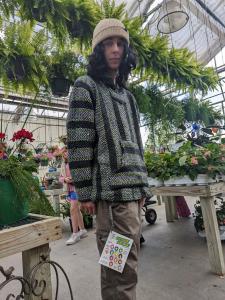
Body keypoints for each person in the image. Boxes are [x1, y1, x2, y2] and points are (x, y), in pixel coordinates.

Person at [67, 18, 151, 300]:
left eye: (120, 44)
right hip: (113, 200)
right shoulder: (86, 86)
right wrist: (86, 192)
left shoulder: (128, 97)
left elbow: (138, 145)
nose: (115, 49)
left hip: (133, 196)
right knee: (120, 271)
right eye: (108, 44)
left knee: (123, 268)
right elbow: (79, 143)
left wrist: (143, 189)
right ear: (98, 50)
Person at [59, 148, 87, 245]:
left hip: (77, 188)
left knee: (72, 209)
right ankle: (83, 230)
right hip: (69, 189)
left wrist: (72, 179)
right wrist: (65, 179)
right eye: (64, 152)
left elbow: (81, 173)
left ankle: (75, 233)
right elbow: (60, 177)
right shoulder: (63, 164)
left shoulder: (75, 162)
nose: (65, 153)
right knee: (77, 210)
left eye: (67, 151)